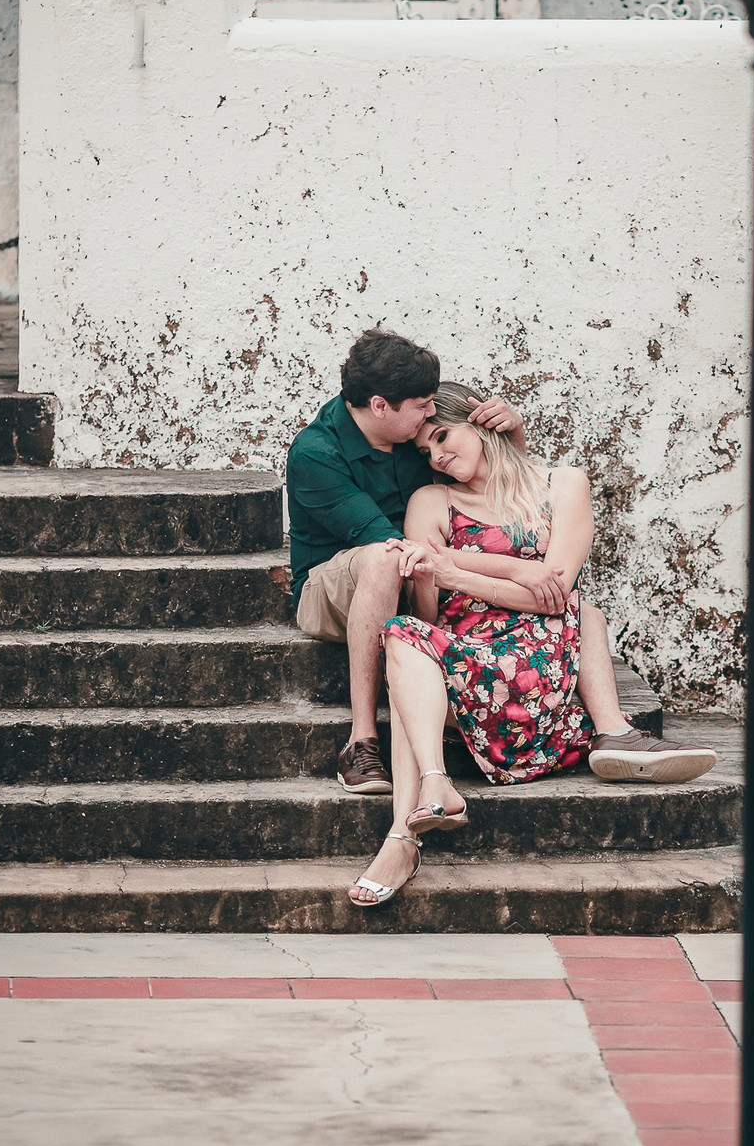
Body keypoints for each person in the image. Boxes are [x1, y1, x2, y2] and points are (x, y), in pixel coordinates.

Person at [289, 331, 711, 798]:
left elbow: (499, 493)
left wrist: (511, 435)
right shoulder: (317, 454)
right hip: (337, 586)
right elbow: (405, 550)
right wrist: (511, 570)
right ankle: (362, 740)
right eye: (423, 405)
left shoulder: (410, 438)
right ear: (381, 406)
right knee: (388, 558)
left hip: (434, 576)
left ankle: (610, 733)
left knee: (586, 612)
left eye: (438, 417)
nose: (431, 416)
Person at [347, 382, 717, 909]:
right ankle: (434, 786)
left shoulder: (562, 485)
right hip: (469, 666)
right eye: (427, 451)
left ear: (481, 422)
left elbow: (554, 597)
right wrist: (439, 577)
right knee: (402, 632)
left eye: (444, 435)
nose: (439, 455)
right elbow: (431, 617)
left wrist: (456, 567)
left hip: (539, 664)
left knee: (584, 610)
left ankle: (401, 841)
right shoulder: (430, 501)